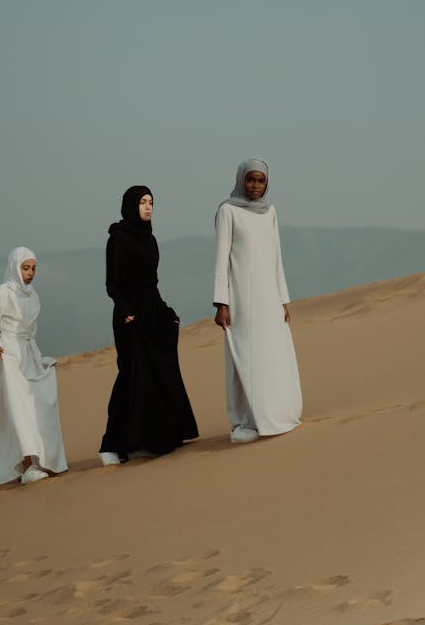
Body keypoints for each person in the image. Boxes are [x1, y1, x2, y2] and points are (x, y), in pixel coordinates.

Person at [99, 186, 198, 464]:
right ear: (130, 205)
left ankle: (160, 437)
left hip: (153, 311)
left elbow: (152, 283)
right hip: (130, 317)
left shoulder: (150, 239)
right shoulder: (117, 239)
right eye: (142, 202)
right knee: (131, 375)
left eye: (151, 202)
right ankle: (111, 445)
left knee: (160, 373)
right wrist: (126, 310)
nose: (148, 207)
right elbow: (112, 283)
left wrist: (167, 311)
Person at [213, 159, 302, 442]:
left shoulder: (270, 212)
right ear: (241, 180)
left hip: (270, 297)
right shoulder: (228, 211)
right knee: (244, 356)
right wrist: (221, 303)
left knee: (273, 355)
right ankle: (243, 422)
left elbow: (277, 259)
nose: (255, 186)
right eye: (251, 180)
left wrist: (283, 299)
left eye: (261, 181)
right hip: (241, 297)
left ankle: (279, 412)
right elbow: (221, 261)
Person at [0, 247, 68, 487]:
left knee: (38, 406)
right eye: (25, 267)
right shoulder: (2, 293)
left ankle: (41, 461)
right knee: (18, 411)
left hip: (28, 355)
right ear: (15, 267)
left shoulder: (33, 296)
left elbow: (30, 335)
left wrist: (40, 359)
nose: (30, 273)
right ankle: (28, 466)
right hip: (8, 358)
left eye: (33, 268)